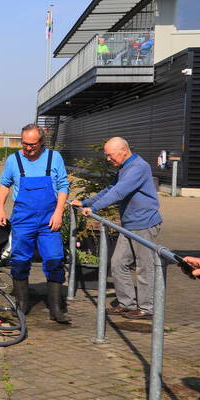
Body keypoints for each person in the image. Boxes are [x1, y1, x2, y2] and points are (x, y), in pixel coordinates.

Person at [72, 137, 162, 320]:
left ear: (123, 151)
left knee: (144, 267)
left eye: (110, 155)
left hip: (144, 223)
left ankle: (146, 308)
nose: (108, 159)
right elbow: (110, 189)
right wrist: (85, 202)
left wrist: (94, 209)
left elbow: (119, 192)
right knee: (118, 263)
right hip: (129, 224)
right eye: (106, 155)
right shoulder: (124, 167)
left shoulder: (138, 167)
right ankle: (127, 304)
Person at [0, 124, 71, 323]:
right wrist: (1, 208)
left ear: (41, 142)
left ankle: (56, 308)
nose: (27, 148)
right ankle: (22, 303)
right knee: (20, 260)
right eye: (24, 144)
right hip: (23, 219)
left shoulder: (54, 158)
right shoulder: (14, 160)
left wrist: (59, 212)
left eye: (32, 144)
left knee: (55, 260)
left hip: (49, 220)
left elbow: (64, 186)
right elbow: (5, 184)